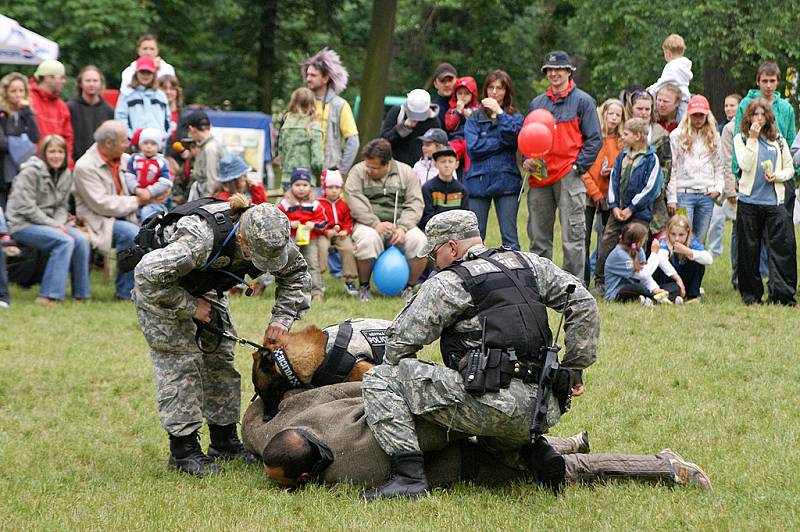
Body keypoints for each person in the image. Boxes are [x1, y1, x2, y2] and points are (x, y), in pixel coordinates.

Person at [360, 209, 600, 500]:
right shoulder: (530, 264)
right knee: (493, 427)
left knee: (380, 378)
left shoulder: (450, 282)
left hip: (490, 403)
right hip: (544, 406)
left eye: (435, 255)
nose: (435, 264)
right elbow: (584, 302)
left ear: (452, 247)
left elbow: (398, 344)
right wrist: (574, 367)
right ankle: (535, 453)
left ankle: (408, 477)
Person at [244, 383, 710, 492]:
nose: (278, 486)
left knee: (556, 474)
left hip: (454, 438)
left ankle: (664, 466)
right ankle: (566, 442)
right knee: (537, 452)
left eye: (284, 482)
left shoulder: (351, 466)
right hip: (436, 407)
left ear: (308, 473)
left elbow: (432, 438)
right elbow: (359, 387)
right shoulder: (302, 415)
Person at [133, 194, 311, 476]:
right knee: (181, 363)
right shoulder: (198, 239)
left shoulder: (272, 235)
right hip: (164, 291)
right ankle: (183, 452)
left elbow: (297, 275)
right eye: (258, 258)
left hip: (205, 286)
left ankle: (224, 442)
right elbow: (146, 276)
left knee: (221, 360)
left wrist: (282, 318)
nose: (264, 265)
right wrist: (190, 306)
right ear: (242, 238)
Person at [524, 52, 602, 279]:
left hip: (569, 173)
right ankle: (541, 285)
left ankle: (573, 289)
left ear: (569, 72)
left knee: (573, 237)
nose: (554, 73)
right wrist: (526, 159)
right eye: (549, 70)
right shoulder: (537, 103)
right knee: (538, 238)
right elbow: (528, 136)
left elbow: (594, 139)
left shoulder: (583, 101)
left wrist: (578, 168)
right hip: (539, 174)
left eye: (559, 69)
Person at [72, 121, 163, 300]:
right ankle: (125, 293)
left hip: (127, 214)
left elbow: (145, 182)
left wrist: (156, 191)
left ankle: (152, 290)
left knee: (158, 225)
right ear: (108, 143)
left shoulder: (126, 159)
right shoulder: (85, 166)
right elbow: (102, 204)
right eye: (123, 141)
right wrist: (138, 200)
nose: (128, 144)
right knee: (131, 233)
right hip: (97, 221)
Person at [5, 135, 90, 305]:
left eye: (60, 151)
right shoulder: (29, 172)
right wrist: (55, 226)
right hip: (23, 224)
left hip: (50, 224)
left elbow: (61, 206)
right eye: (52, 151)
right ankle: (48, 295)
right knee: (64, 241)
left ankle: (81, 294)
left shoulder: (66, 173)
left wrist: (58, 224)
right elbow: (26, 208)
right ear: (43, 153)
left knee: (81, 239)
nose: (57, 155)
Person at [345, 139, 427, 301]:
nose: (368, 170)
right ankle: (364, 286)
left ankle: (408, 287)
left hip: (400, 224)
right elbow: (354, 201)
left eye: (373, 168)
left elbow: (415, 203)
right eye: (366, 165)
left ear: (388, 164)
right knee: (367, 240)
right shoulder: (357, 171)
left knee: (420, 242)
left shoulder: (406, 172)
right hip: (368, 223)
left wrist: (403, 227)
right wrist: (375, 223)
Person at [733, 99, 796, 306]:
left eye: (762, 115)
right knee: (749, 250)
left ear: (768, 117)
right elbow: (745, 165)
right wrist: (752, 138)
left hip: (774, 202)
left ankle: (782, 295)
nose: (758, 119)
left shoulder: (778, 140)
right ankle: (751, 296)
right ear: (748, 118)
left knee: (783, 248)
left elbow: (790, 169)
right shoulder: (740, 139)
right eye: (754, 115)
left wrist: (776, 175)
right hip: (749, 202)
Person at [594, 118, 664, 291]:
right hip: (618, 212)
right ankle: (601, 281)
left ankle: (638, 280)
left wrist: (631, 208)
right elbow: (614, 181)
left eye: (626, 133)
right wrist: (614, 206)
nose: (622, 136)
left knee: (637, 245)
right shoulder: (622, 156)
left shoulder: (651, 159)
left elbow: (651, 188)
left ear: (638, 135)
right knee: (607, 241)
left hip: (638, 214)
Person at [464, 70, 525, 250]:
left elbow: (515, 137)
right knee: (475, 237)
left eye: (500, 88)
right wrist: (501, 143)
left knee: (510, 238)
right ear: (485, 90)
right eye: (491, 87)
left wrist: (500, 113)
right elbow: (473, 149)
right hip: (477, 180)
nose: (494, 92)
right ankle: (474, 275)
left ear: (507, 91)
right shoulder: (474, 118)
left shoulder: (514, 117)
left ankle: (514, 276)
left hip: (506, 180)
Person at [732, 62, 797, 218]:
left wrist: (790, 174)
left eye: (772, 81)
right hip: (750, 171)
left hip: (780, 173)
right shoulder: (746, 105)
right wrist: (737, 172)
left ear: (778, 82)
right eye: (765, 81)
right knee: (746, 229)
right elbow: (738, 137)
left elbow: (791, 142)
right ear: (757, 82)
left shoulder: (786, 108)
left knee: (780, 229)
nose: (768, 85)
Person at [666, 95, 723, 245]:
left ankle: (696, 268)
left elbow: (719, 165)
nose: (698, 119)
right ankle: (680, 268)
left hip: (706, 194)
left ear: (707, 115)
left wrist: (718, 188)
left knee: (700, 240)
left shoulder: (714, 136)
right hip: (684, 193)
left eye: (701, 115)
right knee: (681, 237)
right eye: (694, 115)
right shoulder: (677, 136)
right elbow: (672, 167)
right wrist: (672, 198)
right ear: (688, 115)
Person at [583, 98, 624, 285]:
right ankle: (581, 279)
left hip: (611, 196)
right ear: (603, 113)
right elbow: (583, 168)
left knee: (608, 239)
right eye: (611, 113)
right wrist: (595, 192)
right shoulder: (592, 137)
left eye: (618, 115)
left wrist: (613, 172)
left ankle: (603, 279)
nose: (614, 118)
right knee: (583, 238)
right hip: (589, 195)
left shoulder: (622, 141)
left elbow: (622, 168)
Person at [301, 48, 359, 174]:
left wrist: (341, 171)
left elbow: (353, 141)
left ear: (325, 78)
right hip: (302, 173)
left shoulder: (340, 105)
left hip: (329, 172)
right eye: (307, 75)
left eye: (313, 75)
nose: (308, 79)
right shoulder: (302, 103)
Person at [626, 90, 673, 241]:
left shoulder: (661, 134)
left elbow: (667, 162)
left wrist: (660, 185)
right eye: (640, 109)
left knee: (656, 237)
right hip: (629, 196)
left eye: (647, 109)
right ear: (631, 108)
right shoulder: (624, 132)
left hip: (655, 196)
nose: (644, 113)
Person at [603, 221, 684, 305]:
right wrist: (654, 254)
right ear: (637, 241)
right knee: (638, 288)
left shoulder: (638, 250)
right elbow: (643, 274)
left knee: (675, 287)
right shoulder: (619, 254)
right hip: (618, 292)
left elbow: (646, 277)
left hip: (640, 288)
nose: (646, 240)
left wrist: (655, 288)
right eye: (644, 238)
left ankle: (650, 299)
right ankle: (660, 299)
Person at [277, 167, 327, 301]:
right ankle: (289, 290)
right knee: (289, 264)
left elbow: (323, 223)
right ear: (291, 186)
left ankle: (316, 292)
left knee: (312, 264)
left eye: (305, 185)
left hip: (310, 238)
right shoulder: (285, 204)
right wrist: (289, 223)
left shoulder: (315, 204)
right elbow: (276, 221)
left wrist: (314, 225)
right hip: (292, 239)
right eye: (297, 185)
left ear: (310, 187)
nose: (301, 188)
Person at [708, 93, 742, 257]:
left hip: (737, 180)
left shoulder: (743, 129)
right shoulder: (721, 128)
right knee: (717, 217)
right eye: (726, 105)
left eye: (732, 105)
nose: (728, 108)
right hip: (721, 178)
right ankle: (715, 250)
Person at [0, 72, 41, 207]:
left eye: (21, 90)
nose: (18, 94)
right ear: (6, 92)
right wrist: (25, 144)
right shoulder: (2, 113)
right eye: (13, 91)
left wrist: (28, 113)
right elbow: (2, 143)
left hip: (24, 170)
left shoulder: (27, 112)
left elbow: (35, 138)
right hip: (4, 170)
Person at [317, 169, 359, 296]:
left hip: (340, 233)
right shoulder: (319, 204)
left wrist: (346, 230)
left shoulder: (343, 204)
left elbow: (347, 221)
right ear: (324, 188)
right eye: (330, 187)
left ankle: (350, 279)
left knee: (348, 248)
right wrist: (325, 230)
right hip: (324, 233)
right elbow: (316, 219)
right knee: (321, 247)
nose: (334, 190)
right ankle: (318, 279)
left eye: (337, 187)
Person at [652, 214, 712, 302]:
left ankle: (692, 296)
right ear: (668, 233)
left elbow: (709, 259)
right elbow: (661, 259)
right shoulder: (664, 242)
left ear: (688, 234)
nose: (677, 238)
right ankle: (668, 294)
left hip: (684, 281)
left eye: (681, 235)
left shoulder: (692, 243)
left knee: (698, 263)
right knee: (658, 264)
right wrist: (678, 279)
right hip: (669, 281)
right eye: (673, 234)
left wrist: (687, 251)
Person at [28, 60, 73, 166]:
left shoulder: (62, 106)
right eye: (61, 77)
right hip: (32, 164)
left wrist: (68, 164)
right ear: (48, 78)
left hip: (56, 166)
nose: (64, 81)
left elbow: (68, 139)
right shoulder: (28, 100)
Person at [277, 88, 323, 190]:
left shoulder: (286, 125)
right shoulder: (314, 126)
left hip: (287, 179)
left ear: (293, 102)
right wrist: (318, 176)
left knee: (288, 206)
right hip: (307, 181)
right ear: (312, 103)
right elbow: (317, 161)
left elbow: (281, 154)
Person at [380, 89, 441, 167]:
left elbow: (438, 146)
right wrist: (403, 128)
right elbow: (383, 141)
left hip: (421, 169)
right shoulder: (397, 112)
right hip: (396, 166)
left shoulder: (433, 121)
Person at [115, 56, 171, 139]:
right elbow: (120, 119)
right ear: (136, 73)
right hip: (134, 144)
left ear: (154, 74)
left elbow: (167, 120)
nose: (145, 75)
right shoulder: (127, 94)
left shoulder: (160, 95)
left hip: (158, 143)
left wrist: (163, 136)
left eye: (148, 72)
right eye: (142, 72)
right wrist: (131, 137)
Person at [124, 127, 172, 222]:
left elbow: (165, 181)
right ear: (140, 145)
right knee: (132, 216)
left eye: (153, 144)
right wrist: (136, 189)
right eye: (145, 143)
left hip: (155, 200)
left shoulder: (162, 162)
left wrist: (150, 191)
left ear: (158, 146)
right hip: (136, 196)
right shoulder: (135, 159)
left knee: (147, 214)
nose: (149, 146)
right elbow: (129, 175)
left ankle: (147, 234)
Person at [67, 66, 114, 162]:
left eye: (95, 80)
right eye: (88, 80)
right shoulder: (70, 107)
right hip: (76, 161)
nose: (91, 84)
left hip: (101, 162)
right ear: (80, 83)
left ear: (101, 83)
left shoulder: (108, 110)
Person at [419, 146, 468, 229]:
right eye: (442, 161)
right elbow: (426, 217)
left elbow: (465, 216)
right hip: (433, 231)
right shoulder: (428, 188)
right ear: (436, 164)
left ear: (456, 164)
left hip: (456, 231)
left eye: (450, 161)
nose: (447, 165)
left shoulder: (461, 190)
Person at [647, 34, 692, 121]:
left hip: (680, 98)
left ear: (668, 53)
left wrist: (652, 90)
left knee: (682, 123)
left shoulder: (673, 67)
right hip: (683, 97)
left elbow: (664, 82)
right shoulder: (683, 65)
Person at [185, 110, 227, 200]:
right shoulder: (207, 146)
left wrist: (205, 204)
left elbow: (212, 181)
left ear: (192, 129)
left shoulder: (210, 149)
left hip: (210, 198)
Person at [443, 76, 479, 169]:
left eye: (466, 93)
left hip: (472, 140)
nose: (463, 96)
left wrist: (470, 116)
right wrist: (458, 112)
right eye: (460, 93)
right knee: (447, 154)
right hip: (457, 139)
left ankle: (469, 176)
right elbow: (449, 126)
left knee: (471, 158)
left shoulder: (478, 109)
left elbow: (480, 126)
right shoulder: (452, 110)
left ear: (472, 95)